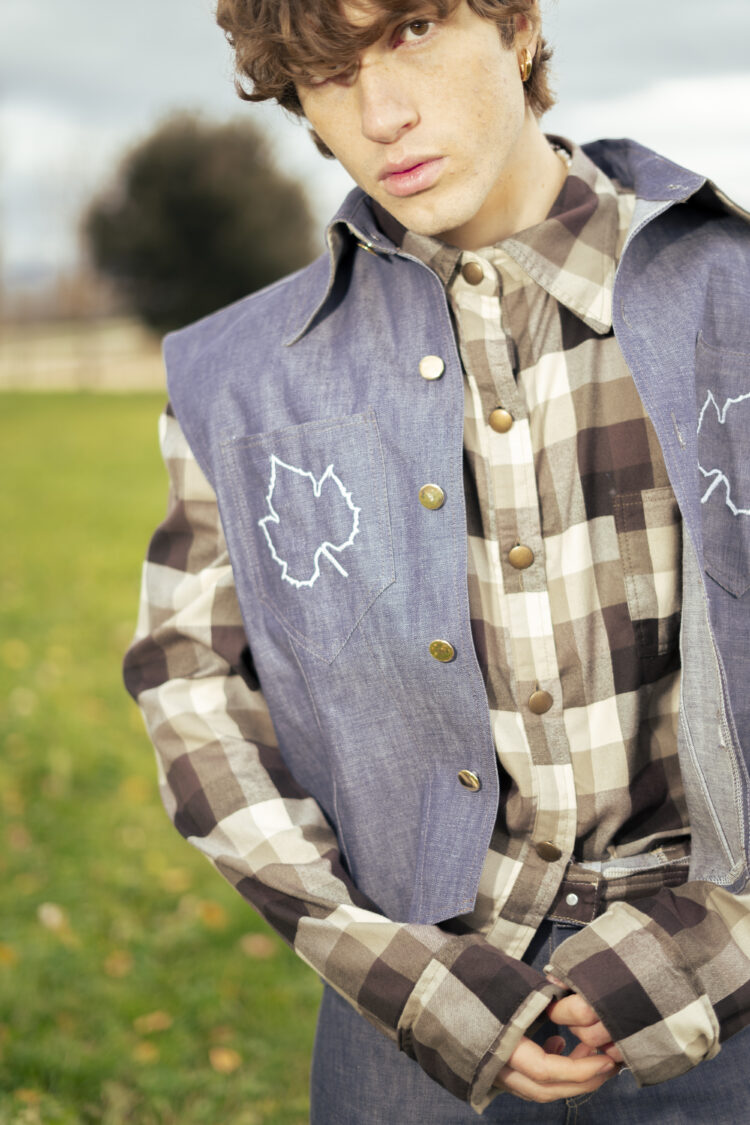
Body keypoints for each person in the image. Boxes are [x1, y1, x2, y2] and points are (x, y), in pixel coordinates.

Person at [123, 1, 750, 1120]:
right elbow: (193, 694)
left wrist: (718, 947)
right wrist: (403, 976)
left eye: (411, 31)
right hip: (411, 1041)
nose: (381, 114)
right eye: (327, 76)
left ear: (517, 26)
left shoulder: (736, 299)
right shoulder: (238, 376)